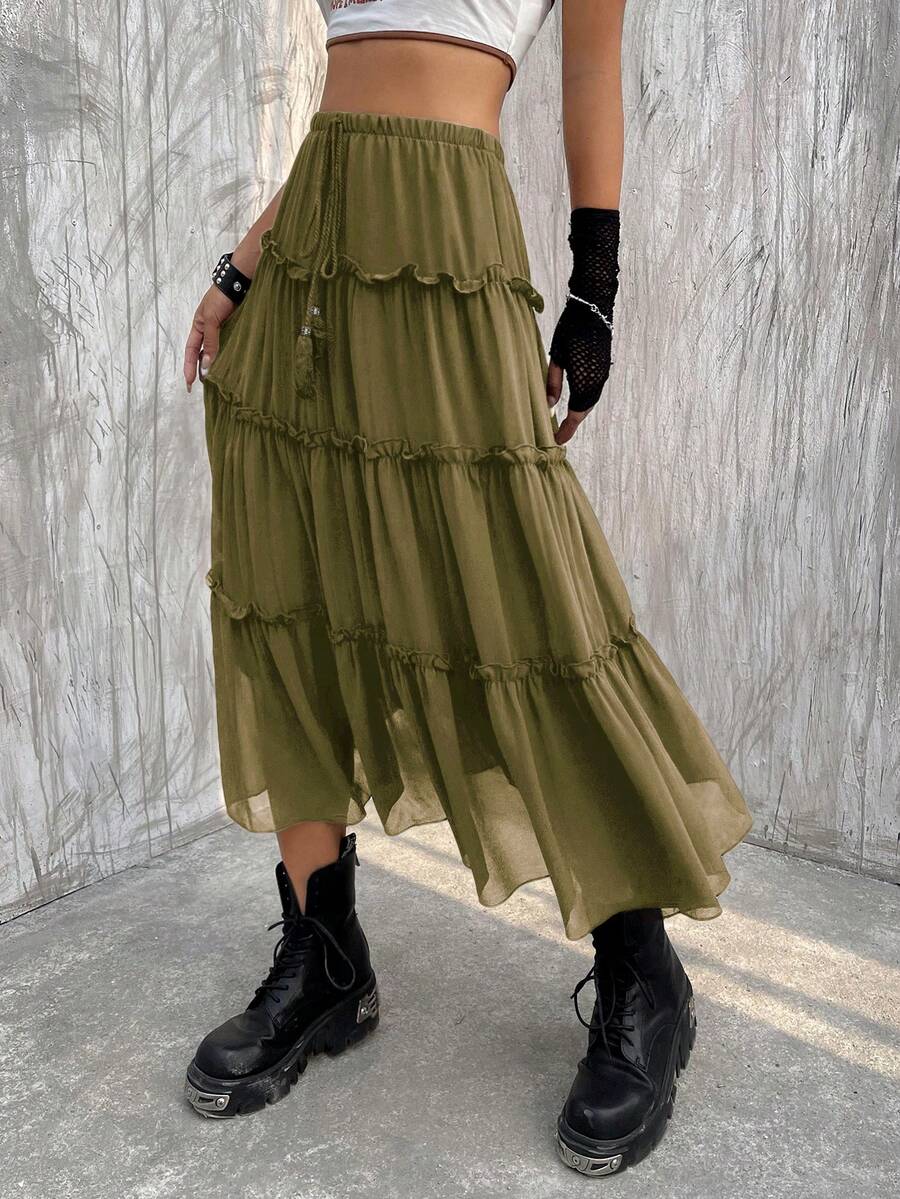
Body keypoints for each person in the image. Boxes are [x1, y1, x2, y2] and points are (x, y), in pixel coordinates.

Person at [181, 0, 753, 1176]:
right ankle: (324, 955)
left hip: (449, 247)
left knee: (526, 604)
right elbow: (351, 105)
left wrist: (595, 292)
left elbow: (590, 71)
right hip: (311, 266)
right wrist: (241, 263)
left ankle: (645, 971)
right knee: (288, 591)